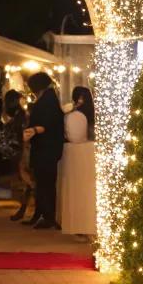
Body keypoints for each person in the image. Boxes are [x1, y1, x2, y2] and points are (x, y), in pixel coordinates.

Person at [22, 71, 65, 230]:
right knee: (42, 183)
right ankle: (41, 213)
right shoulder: (49, 98)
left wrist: (32, 130)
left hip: (46, 148)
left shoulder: (48, 101)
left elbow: (46, 124)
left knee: (45, 183)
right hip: (46, 147)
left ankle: (47, 216)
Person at [58, 86, 97, 236]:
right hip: (89, 155)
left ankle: (80, 225)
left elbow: (75, 137)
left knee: (79, 190)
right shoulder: (90, 115)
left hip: (77, 156)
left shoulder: (76, 115)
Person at [0, 89, 32, 222]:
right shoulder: (20, 115)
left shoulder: (19, 117)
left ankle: (23, 209)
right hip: (22, 149)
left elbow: (19, 135)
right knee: (25, 182)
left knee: (26, 181)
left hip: (23, 150)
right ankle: (23, 209)